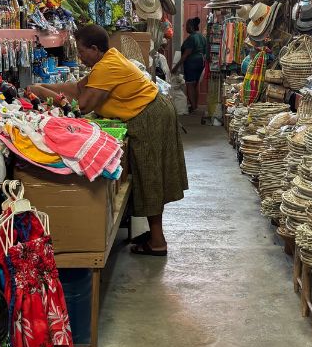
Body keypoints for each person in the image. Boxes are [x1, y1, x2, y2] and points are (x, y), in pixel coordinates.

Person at [26, 25, 187, 256]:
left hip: (149, 116)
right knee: (147, 175)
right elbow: (77, 88)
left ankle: (158, 241)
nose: (80, 58)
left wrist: (43, 93)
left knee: (149, 176)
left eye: (82, 52)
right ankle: (154, 235)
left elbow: (82, 105)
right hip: (151, 110)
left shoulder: (107, 67)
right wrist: (42, 87)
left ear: (94, 48)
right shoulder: (106, 60)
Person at [172, 17, 208, 114]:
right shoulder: (202, 37)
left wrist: (176, 66)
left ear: (191, 27)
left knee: (190, 85)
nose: (185, 27)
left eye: (187, 25)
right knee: (195, 84)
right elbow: (205, 52)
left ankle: (193, 106)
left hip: (191, 63)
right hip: (201, 62)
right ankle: (195, 105)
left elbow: (186, 53)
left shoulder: (191, 38)